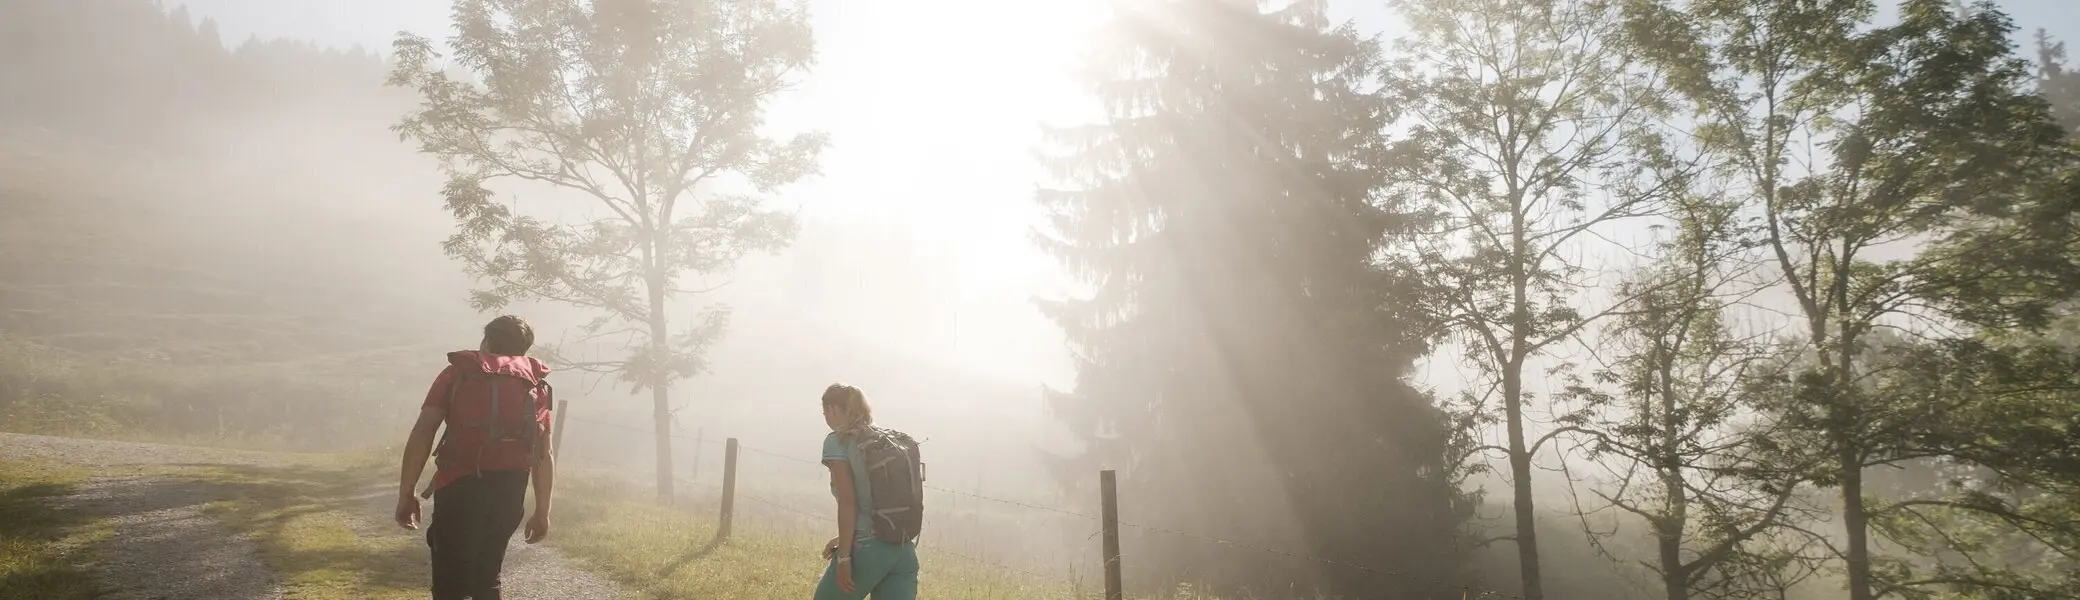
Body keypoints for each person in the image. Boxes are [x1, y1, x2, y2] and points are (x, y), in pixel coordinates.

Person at [394, 315, 557, 600]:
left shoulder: (458, 373)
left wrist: (407, 493)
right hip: (510, 489)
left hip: (458, 485)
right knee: (488, 577)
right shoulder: (534, 384)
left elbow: (424, 431)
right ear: (525, 350)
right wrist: (543, 511)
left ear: (486, 342)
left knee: (449, 584)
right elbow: (544, 453)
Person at [815, 383, 921, 600]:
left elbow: (848, 503)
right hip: (903, 552)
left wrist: (844, 558)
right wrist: (843, 538)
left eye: (825, 411)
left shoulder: (837, 442)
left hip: (866, 550)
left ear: (834, 409)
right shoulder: (885, 441)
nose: (825, 417)